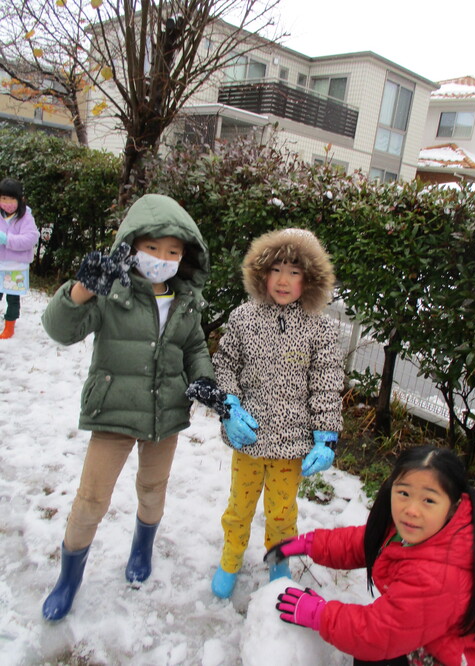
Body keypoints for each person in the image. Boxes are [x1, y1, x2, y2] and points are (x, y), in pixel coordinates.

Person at [41, 193, 233, 621]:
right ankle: (68, 579)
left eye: (172, 251)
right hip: (113, 411)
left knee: (152, 490)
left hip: (165, 415)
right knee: (91, 499)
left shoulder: (185, 300)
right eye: (152, 249)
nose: (162, 258)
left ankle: (142, 548)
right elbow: (60, 329)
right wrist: (83, 288)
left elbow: (195, 347)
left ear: (184, 257)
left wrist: (203, 379)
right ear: (132, 247)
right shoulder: (111, 292)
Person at [205, 228, 344, 599]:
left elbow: (326, 384)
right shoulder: (243, 318)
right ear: (261, 272)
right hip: (247, 441)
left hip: (290, 448)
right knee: (239, 507)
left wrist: (325, 436)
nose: (284, 280)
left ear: (309, 280)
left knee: (282, 514)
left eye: (295, 272)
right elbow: (226, 366)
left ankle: (279, 562)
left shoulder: (320, 329)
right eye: (277, 269)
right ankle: (231, 558)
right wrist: (229, 407)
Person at [267, 445, 475, 665]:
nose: (411, 509)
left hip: (457, 658)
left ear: (452, 506)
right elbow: (368, 542)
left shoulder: (440, 574)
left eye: (428, 499)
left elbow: (377, 633)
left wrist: (320, 614)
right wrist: (311, 544)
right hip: (429, 638)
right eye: (404, 493)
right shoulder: (425, 529)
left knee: (372, 655)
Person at [0, 177, 39, 339]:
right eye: (3, 198)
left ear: (19, 199)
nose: (7, 203)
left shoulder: (25, 218)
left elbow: (30, 238)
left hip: (15, 267)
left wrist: (7, 240)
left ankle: (10, 326)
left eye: (11, 199)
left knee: (12, 298)